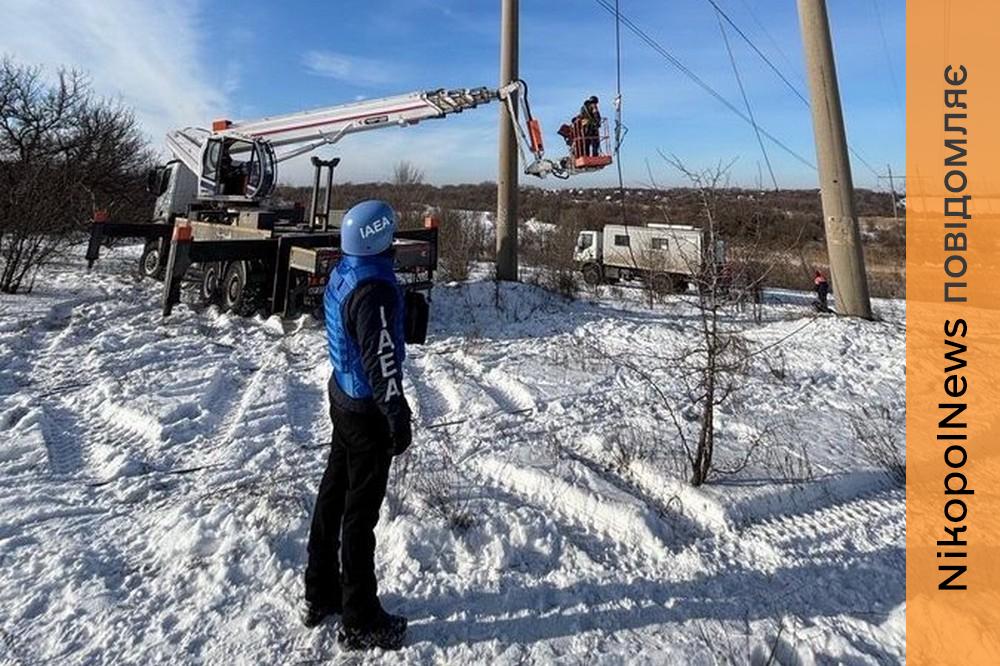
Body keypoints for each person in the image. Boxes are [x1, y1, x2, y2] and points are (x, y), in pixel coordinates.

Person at [303, 200, 413, 651]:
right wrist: (397, 415)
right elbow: (382, 360)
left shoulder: (346, 271)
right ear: (381, 239)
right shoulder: (375, 289)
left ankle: (321, 591)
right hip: (367, 411)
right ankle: (361, 619)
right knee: (359, 516)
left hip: (342, 399)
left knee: (332, 498)